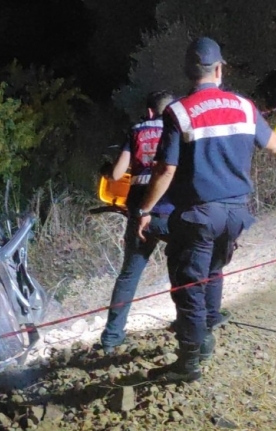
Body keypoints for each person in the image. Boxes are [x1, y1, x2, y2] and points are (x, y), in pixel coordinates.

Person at [135, 37, 276, 383]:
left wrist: (145, 209)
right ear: (219, 69)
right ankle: (205, 333)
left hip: (198, 215)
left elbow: (166, 169)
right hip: (236, 214)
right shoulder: (245, 106)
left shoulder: (177, 112)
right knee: (214, 270)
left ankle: (190, 359)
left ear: (189, 72)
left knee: (187, 283)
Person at [97, 91, 175, 355]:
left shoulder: (137, 131)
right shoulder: (178, 130)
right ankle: (189, 323)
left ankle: (111, 337)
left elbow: (118, 173)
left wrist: (107, 169)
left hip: (138, 212)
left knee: (129, 274)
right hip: (168, 212)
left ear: (150, 111)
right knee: (183, 261)